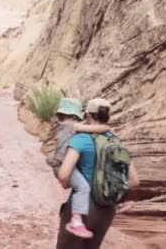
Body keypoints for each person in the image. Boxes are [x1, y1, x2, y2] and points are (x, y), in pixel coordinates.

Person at [56, 98, 140, 249]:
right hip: (107, 210)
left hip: (82, 210)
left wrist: (66, 182)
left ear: (87, 115)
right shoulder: (116, 142)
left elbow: (63, 174)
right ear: (108, 116)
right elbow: (134, 180)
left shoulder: (81, 138)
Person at [46, 98, 111, 239]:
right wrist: (107, 128)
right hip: (61, 165)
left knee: (81, 186)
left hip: (61, 164)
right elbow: (97, 128)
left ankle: (76, 219)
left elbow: (64, 176)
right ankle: (76, 220)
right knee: (83, 188)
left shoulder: (64, 125)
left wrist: (64, 182)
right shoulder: (71, 126)